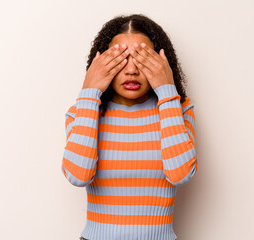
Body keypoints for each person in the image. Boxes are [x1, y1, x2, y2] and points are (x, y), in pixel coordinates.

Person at [61, 14, 197, 240]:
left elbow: (181, 174)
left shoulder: (178, 109)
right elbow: (78, 175)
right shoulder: (83, 113)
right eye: (121, 58)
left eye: (142, 59)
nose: (131, 70)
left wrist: (166, 90)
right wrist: (89, 92)